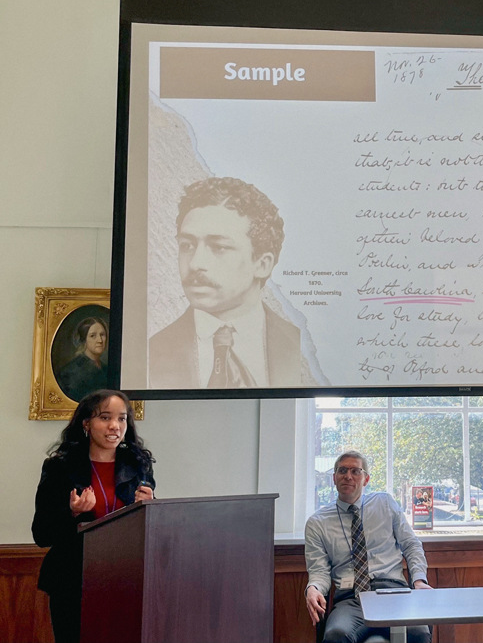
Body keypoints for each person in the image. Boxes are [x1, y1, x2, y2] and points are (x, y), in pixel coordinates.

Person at [148, 176, 301, 389]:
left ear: (263, 264)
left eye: (219, 247)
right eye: (187, 246)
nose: (195, 263)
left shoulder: (298, 345)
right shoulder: (150, 351)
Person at [32, 390, 155, 643]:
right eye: (105, 418)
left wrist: (150, 507)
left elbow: (151, 529)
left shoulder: (138, 464)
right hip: (73, 581)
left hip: (127, 578)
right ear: (86, 424)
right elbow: (41, 533)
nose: (114, 426)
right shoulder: (60, 467)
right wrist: (73, 512)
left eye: (122, 419)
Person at [304, 450, 432, 643]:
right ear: (334, 478)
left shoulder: (385, 503)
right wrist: (313, 588)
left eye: (356, 471)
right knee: (335, 635)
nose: (348, 476)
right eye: (342, 470)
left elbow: (411, 545)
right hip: (351, 599)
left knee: (418, 633)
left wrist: (419, 581)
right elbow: (319, 571)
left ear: (366, 479)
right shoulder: (317, 522)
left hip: (394, 594)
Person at [56, 317, 109, 402]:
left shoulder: (107, 369)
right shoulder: (71, 372)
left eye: (102, 335)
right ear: (84, 340)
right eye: (93, 336)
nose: (100, 340)